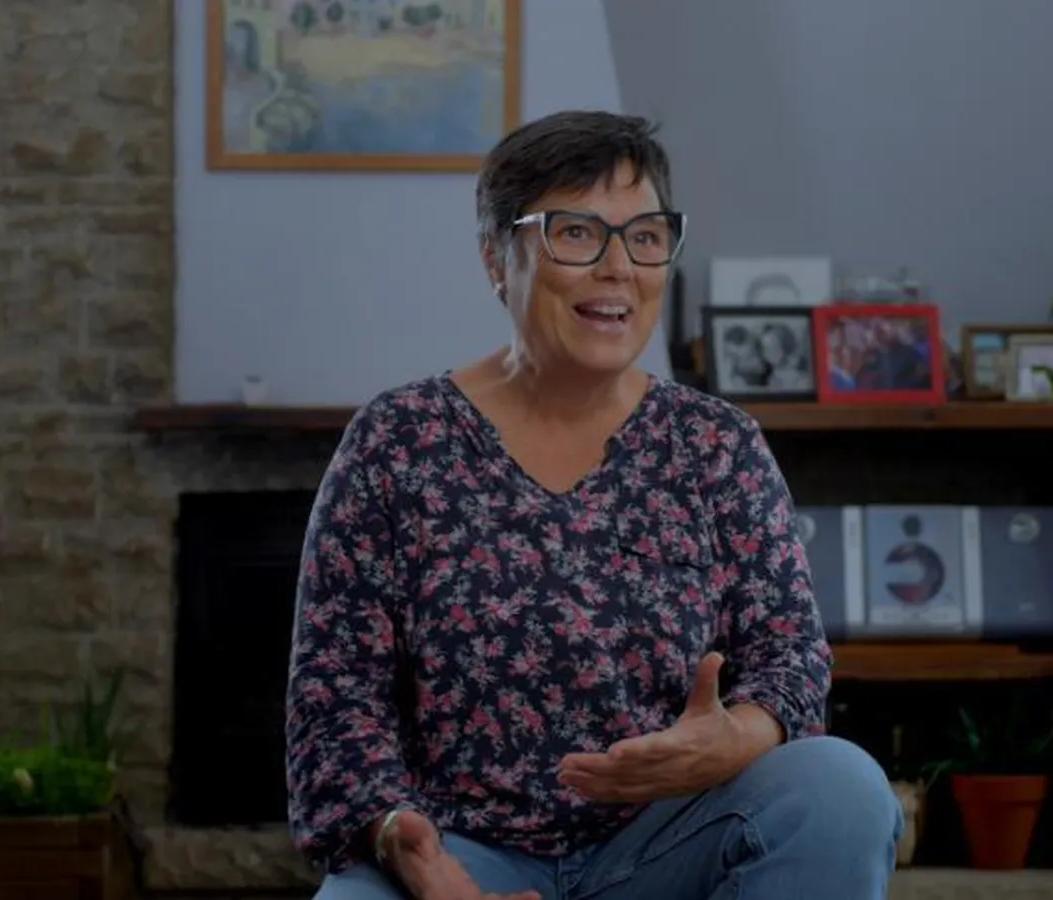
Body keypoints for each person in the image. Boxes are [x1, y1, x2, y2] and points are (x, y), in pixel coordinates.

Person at [286, 109, 902, 900]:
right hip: (456, 851)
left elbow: (792, 656)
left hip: (668, 843)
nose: (619, 268)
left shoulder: (715, 444)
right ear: (495, 256)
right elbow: (334, 694)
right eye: (575, 233)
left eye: (645, 237)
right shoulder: (397, 440)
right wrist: (410, 851)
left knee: (842, 788)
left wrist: (738, 736)